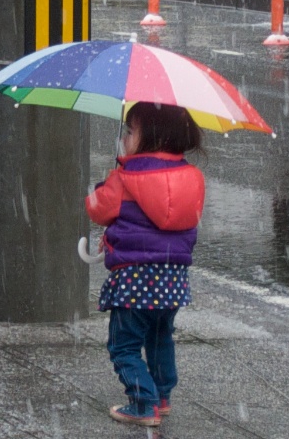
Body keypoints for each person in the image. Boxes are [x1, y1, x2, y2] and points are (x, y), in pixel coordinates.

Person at [86, 102, 206, 428]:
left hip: (133, 277)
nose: (125, 138)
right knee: (159, 337)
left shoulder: (124, 177)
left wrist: (103, 186)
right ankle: (162, 395)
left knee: (123, 346)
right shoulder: (192, 178)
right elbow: (171, 223)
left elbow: (97, 210)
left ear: (149, 136)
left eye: (130, 131)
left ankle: (143, 403)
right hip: (173, 280)